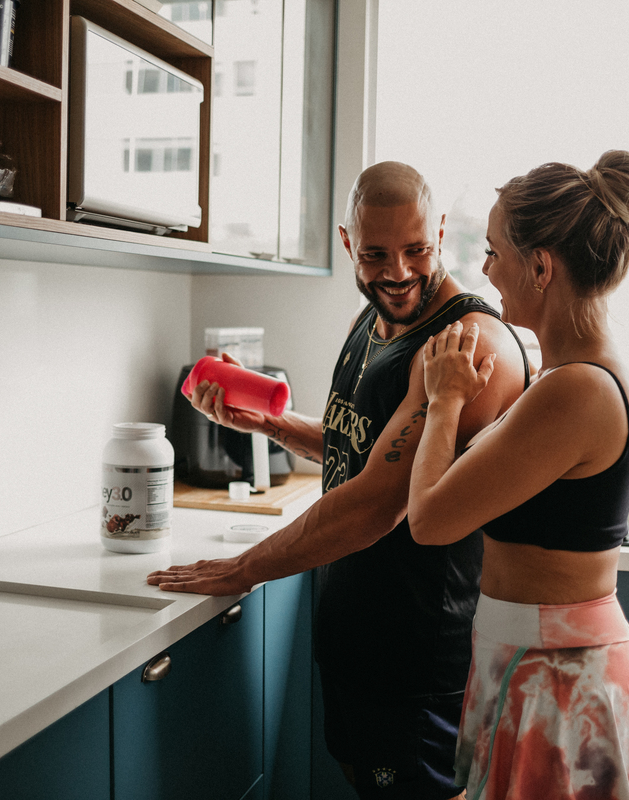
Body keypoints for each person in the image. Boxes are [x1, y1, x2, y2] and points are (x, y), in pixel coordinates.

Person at [147, 161, 531, 799]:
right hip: (357, 638)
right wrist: (272, 425)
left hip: (417, 656)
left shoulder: (468, 343)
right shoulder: (373, 316)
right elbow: (363, 451)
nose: (399, 272)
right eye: (376, 254)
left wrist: (245, 568)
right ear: (348, 242)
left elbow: (375, 505)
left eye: (417, 250)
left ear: (440, 231)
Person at [406, 151, 629, 799]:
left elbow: (430, 520)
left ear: (540, 266)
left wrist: (442, 397)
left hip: (559, 683)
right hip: (536, 668)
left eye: (496, 251)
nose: (486, 268)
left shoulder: (576, 390)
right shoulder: (563, 378)